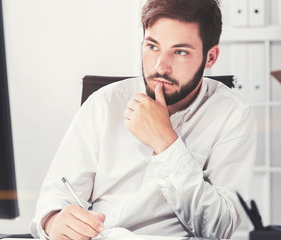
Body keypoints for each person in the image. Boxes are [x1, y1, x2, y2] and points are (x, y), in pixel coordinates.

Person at [30, 0, 256, 239]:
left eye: (180, 52)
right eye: (152, 46)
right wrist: (54, 221)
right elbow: (55, 198)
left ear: (210, 57)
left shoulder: (234, 113)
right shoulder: (104, 103)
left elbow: (219, 229)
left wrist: (166, 144)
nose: (160, 66)